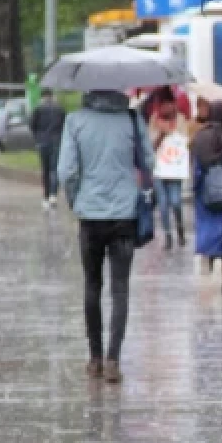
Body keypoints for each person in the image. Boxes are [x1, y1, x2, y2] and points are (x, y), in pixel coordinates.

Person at [58, 89, 154, 384]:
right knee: (120, 289)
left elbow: (66, 171)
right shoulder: (131, 119)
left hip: (90, 216)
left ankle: (95, 357)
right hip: (125, 215)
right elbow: (149, 162)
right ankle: (114, 359)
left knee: (92, 285)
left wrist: (76, 199)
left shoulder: (75, 121)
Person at [190, 100, 222, 288]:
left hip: (206, 191)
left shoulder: (200, 136)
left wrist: (196, 187)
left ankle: (212, 260)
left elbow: (196, 167)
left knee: (208, 228)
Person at [151, 104, 188, 250]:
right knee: (163, 205)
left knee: (176, 201)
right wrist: (160, 134)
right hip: (159, 173)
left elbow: (186, 143)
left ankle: (180, 228)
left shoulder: (180, 125)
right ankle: (168, 235)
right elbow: (150, 148)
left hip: (174, 173)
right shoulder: (155, 126)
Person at [29, 89, 66, 210]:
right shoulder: (60, 109)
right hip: (56, 142)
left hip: (42, 142)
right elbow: (64, 125)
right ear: (52, 96)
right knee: (54, 169)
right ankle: (53, 195)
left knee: (45, 170)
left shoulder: (38, 109)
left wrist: (37, 137)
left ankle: (45, 196)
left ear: (42, 97)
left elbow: (32, 125)